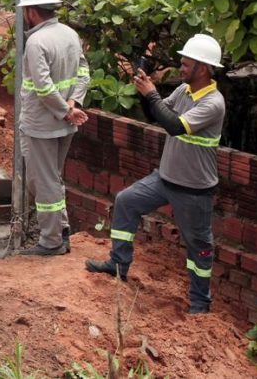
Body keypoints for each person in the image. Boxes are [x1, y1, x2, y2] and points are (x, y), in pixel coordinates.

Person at [86, 34, 226, 313]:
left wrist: (152, 93)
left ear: (202, 68)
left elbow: (175, 125)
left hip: (194, 188)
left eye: (186, 64)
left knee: (198, 245)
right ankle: (118, 264)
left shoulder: (213, 102)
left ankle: (200, 304)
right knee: (126, 201)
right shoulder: (184, 91)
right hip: (165, 177)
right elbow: (157, 116)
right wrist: (144, 93)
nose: (181, 68)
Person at [13, 0, 90, 257]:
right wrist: (73, 102)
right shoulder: (70, 34)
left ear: (31, 12)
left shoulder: (36, 41)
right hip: (65, 124)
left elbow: (43, 87)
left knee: (43, 182)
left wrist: (66, 109)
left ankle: (51, 241)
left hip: (42, 126)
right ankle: (62, 230)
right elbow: (83, 72)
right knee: (51, 178)